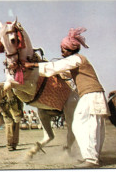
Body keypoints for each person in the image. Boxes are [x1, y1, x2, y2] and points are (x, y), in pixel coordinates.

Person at [23, 27, 110, 168]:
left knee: (80, 124)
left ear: (70, 50)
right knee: (95, 126)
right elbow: (63, 73)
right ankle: (94, 157)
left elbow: (55, 67)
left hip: (90, 95)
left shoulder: (76, 59)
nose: (61, 52)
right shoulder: (79, 61)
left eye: (63, 49)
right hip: (94, 95)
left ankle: (91, 160)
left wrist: (32, 65)